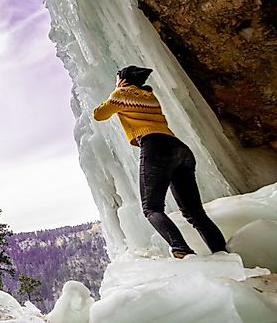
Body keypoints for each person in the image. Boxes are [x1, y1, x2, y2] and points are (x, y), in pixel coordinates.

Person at [93, 65, 226, 258]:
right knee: (195, 213)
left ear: (122, 79)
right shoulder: (150, 96)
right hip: (179, 149)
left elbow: (99, 114)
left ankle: (181, 248)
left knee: (151, 208)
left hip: (155, 147)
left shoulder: (121, 94)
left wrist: (116, 90)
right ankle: (223, 254)